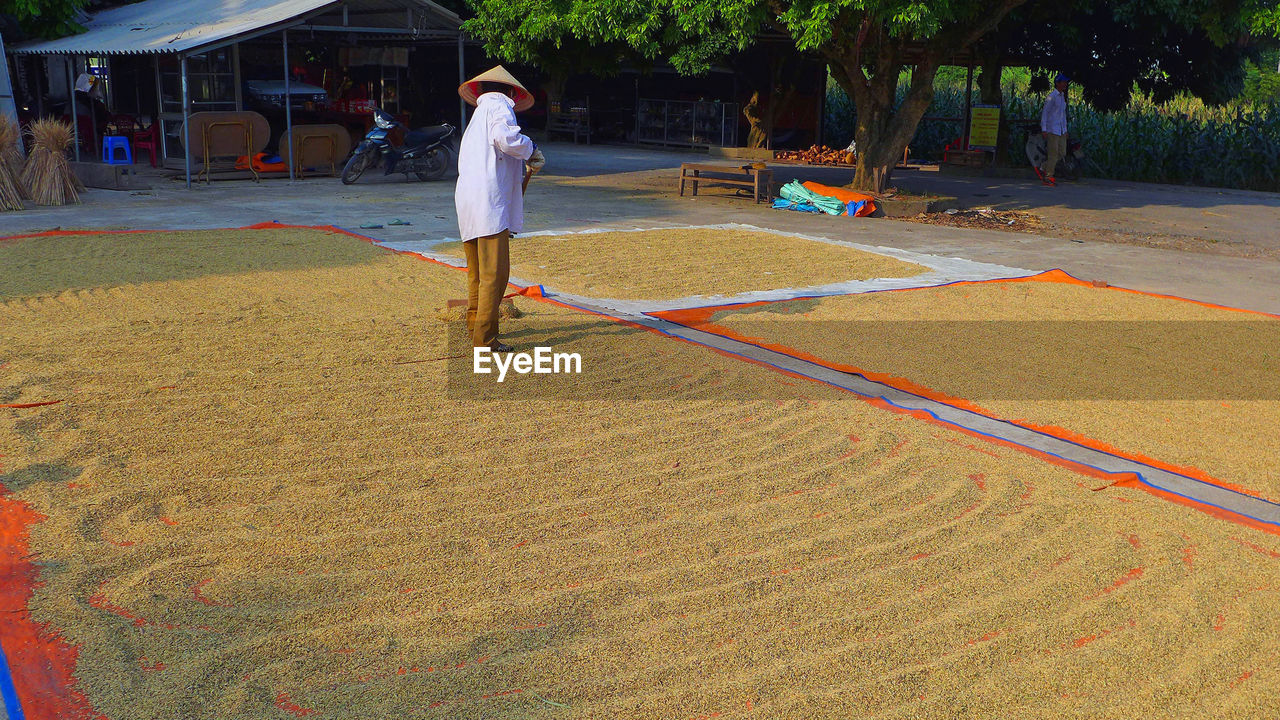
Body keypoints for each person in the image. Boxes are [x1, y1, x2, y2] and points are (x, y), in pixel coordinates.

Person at [454, 66, 546, 352]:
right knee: (494, 274)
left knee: (477, 273)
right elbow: (506, 139)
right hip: (488, 204)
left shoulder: (478, 115)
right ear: (510, 92)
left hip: (469, 202)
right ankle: (486, 339)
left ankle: (475, 327)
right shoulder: (499, 107)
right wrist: (531, 149)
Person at [1037, 73, 1070, 186]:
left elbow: (1063, 115)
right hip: (1052, 129)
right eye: (1063, 82)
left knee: (1062, 152)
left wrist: (1065, 130)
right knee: (1053, 154)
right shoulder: (1052, 97)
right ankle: (1048, 176)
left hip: (1060, 130)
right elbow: (1045, 113)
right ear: (1058, 83)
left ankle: (1044, 166)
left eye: (1066, 82)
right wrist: (1044, 129)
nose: (1065, 84)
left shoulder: (1062, 98)